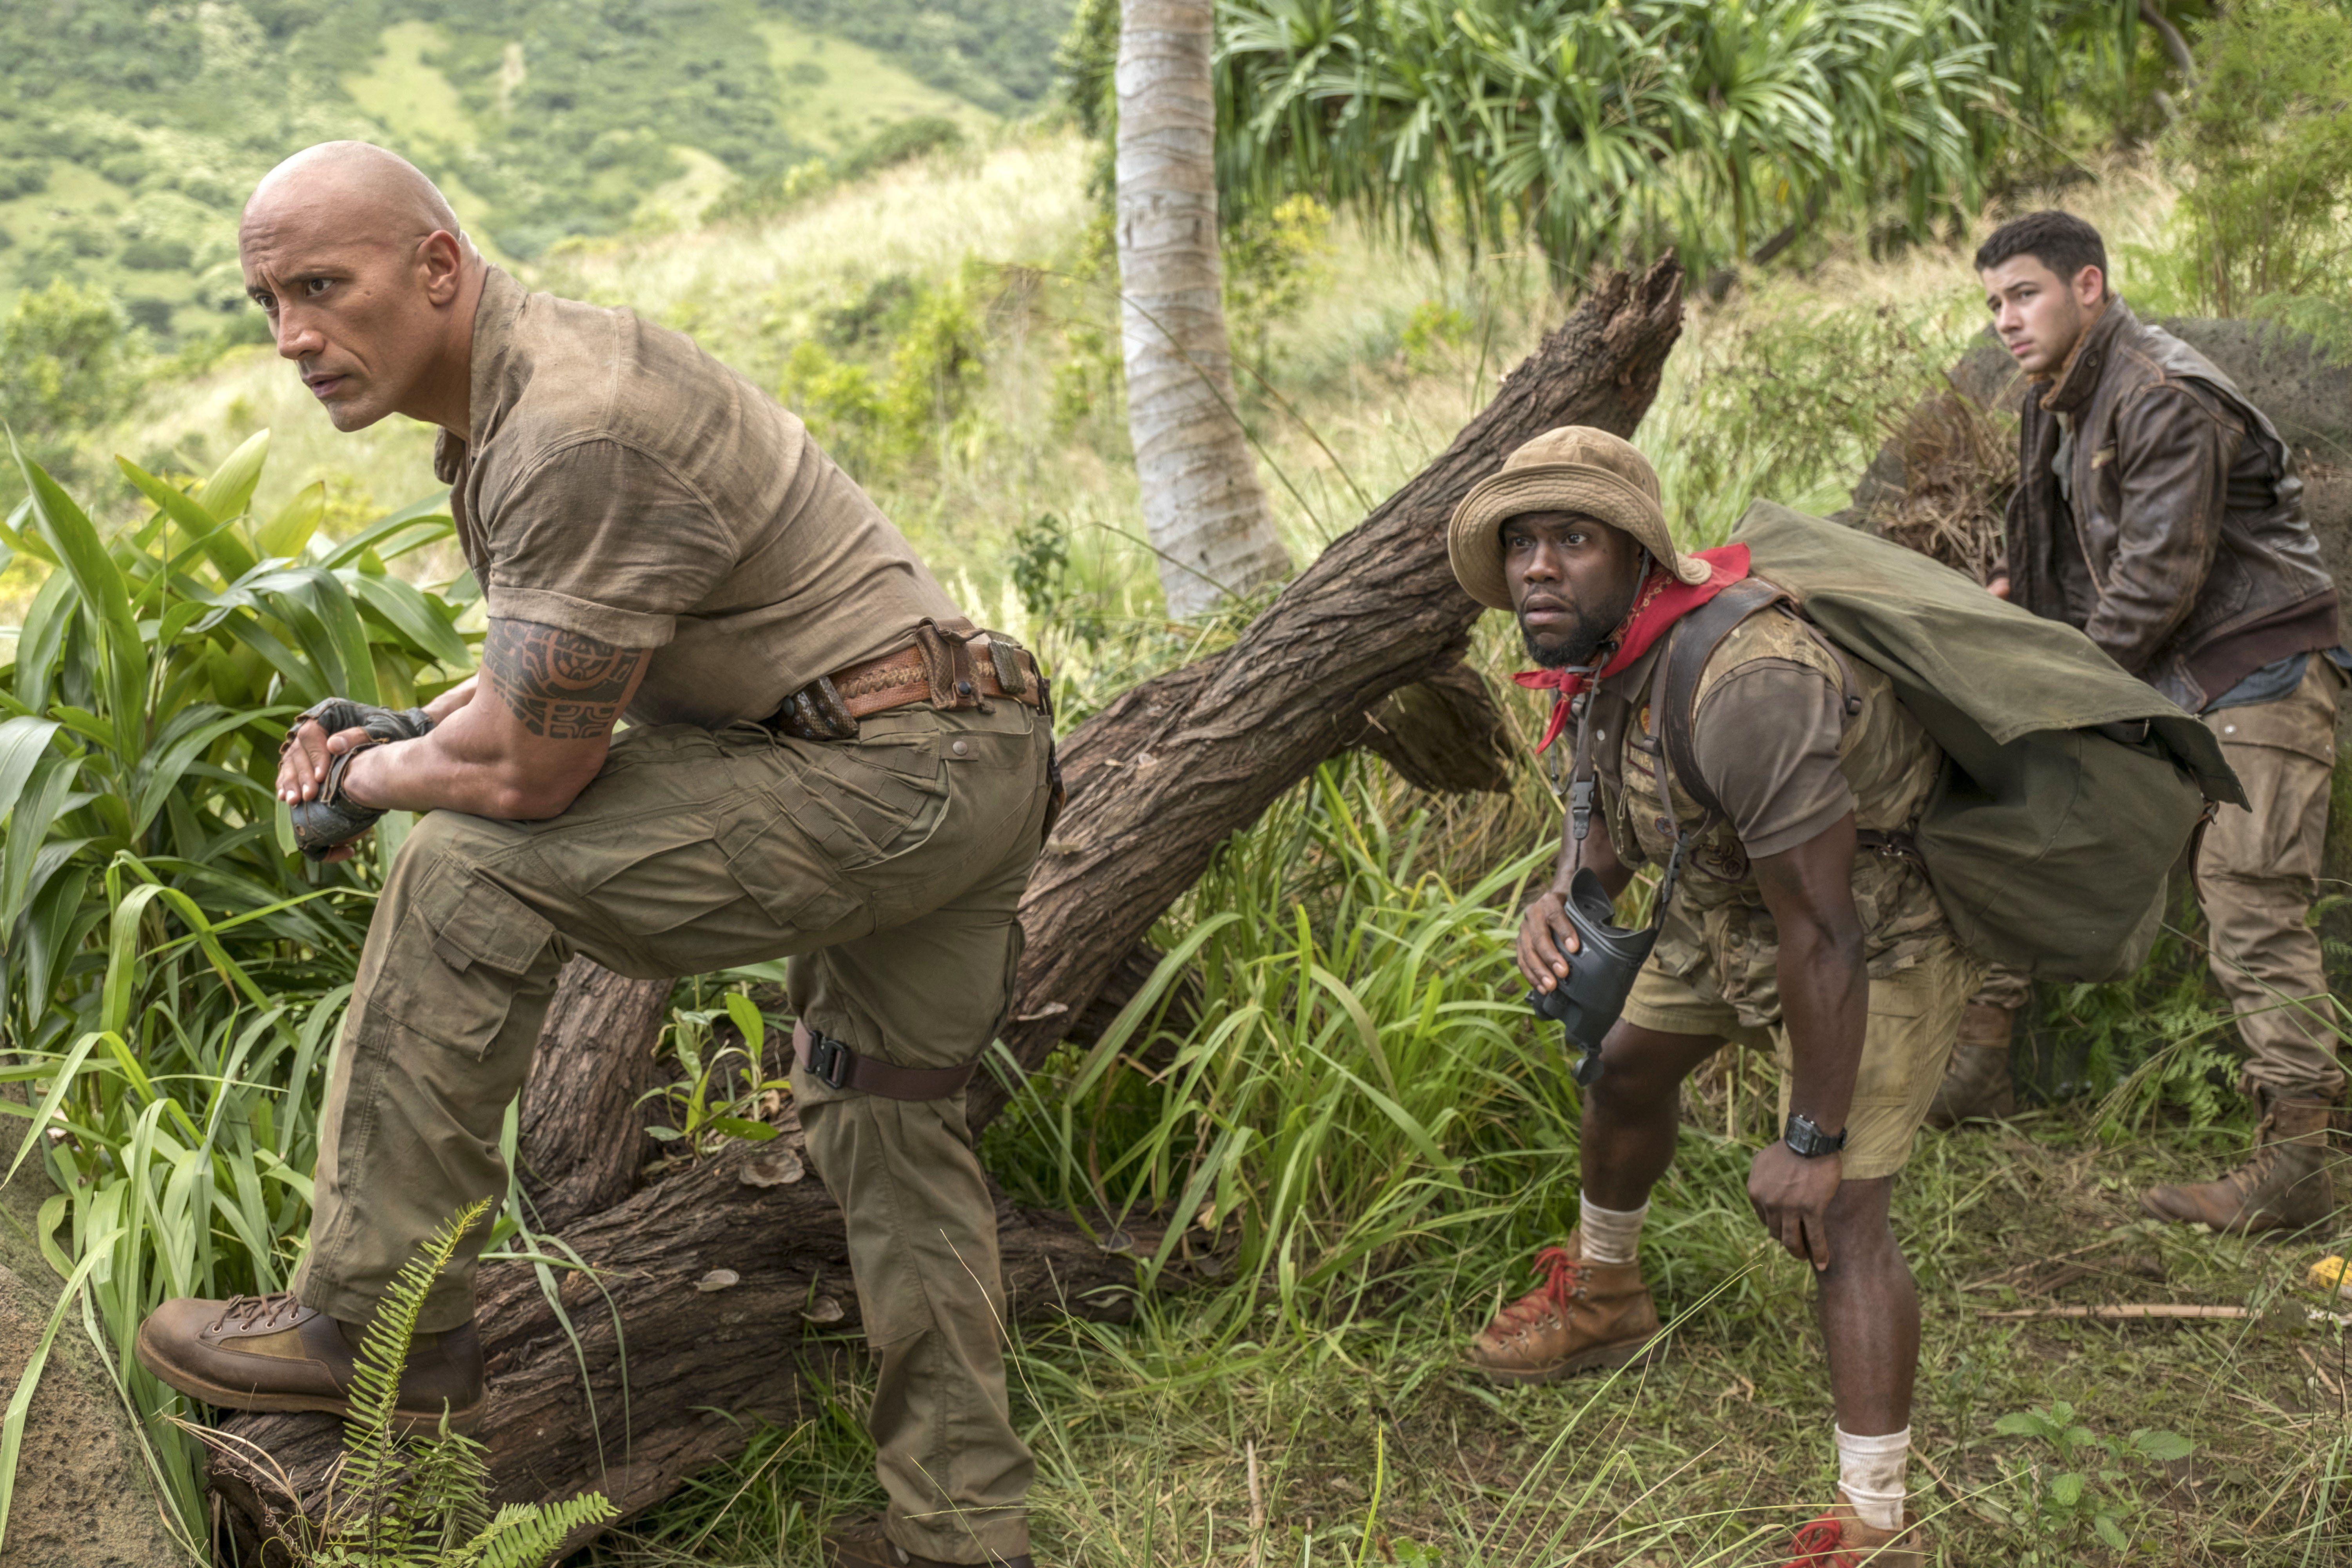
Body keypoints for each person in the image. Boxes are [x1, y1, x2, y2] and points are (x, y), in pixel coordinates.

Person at [132, 142, 1051, 1568]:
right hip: (961, 752)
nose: (292, 338)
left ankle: (377, 1328)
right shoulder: (527, 388)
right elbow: (563, 670)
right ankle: (968, 1525)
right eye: (266, 301)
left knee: (464, 868)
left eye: (322, 286)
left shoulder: (570, 426)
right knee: (885, 1119)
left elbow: (525, 768)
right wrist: (405, 724)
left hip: (883, 783)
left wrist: (368, 781)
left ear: (436, 266)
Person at [1453, 427, 1978, 1566]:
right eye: (1522, 543)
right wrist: (1561, 899)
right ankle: (1606, 1297)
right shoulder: (1602, 661)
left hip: (1873, 928)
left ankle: (1875, 1523)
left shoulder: (1752, 684)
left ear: (1640, 554)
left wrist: (1810, 1135)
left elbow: (1824, 928)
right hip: (1729, 904)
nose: (1539, 567)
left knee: (1840, 1216)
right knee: (1626, 1067)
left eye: (1573, 539)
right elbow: (1604, 824)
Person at [1952, 209, 2345, 1233]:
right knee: (2040, 829)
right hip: (2167, 681)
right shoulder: (2063, 400)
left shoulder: (2163, 393)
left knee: (2253, 904)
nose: (2006, 319)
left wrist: (2047, 690)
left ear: (2089, 286)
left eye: (2024, 293)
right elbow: (2061, 565)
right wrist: (2022, 625)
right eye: (1993, 301)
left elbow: (2156, 584)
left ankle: (2299, 1164)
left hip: (2254, 671)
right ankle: (1978, 1064)